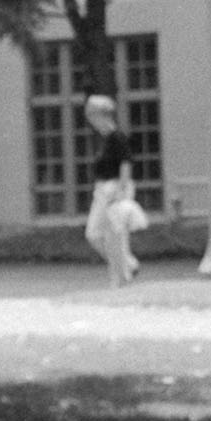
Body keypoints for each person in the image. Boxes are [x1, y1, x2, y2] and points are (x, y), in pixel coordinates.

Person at [82, 93, 146, 287]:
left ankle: (120, 279)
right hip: (102, 189)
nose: (91, 120)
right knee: (94, 234)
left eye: (92, 115)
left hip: (115, 188)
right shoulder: (105, 139)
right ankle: (127, 265)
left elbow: (126, 164)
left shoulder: (117, 137)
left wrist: (121, 191)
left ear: (102, 115)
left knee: (115, 236)